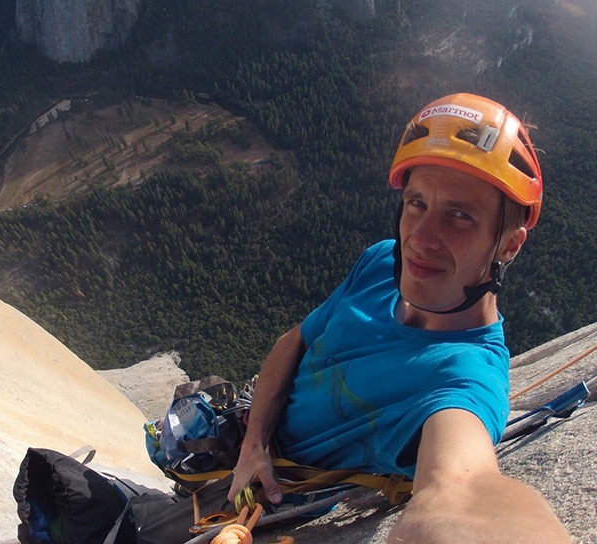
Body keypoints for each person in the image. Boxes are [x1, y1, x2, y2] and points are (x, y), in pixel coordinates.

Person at [227, 93, 572, 543]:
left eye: (460, 216)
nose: (421, 239)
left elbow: (463, 489)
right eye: (416, 204)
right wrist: (253, 444)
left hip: (273, 502)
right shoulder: (380, 263)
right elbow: (296, 340)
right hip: (244, 449)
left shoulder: (466, 376)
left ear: (509, 245)